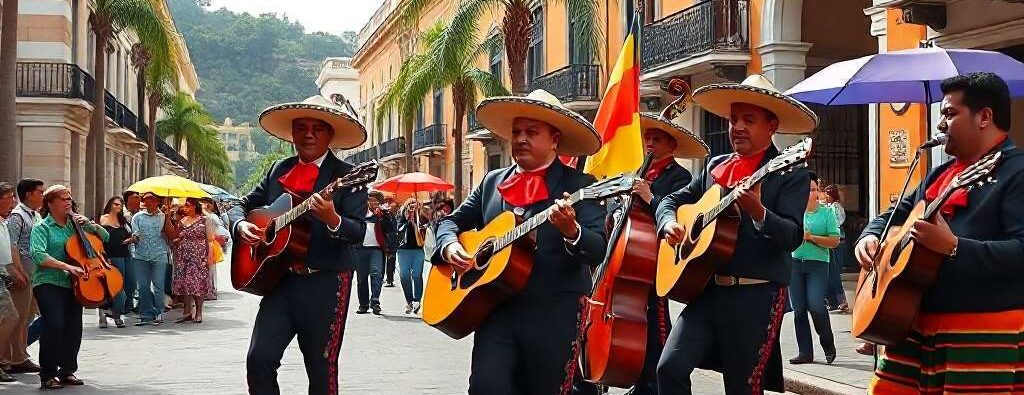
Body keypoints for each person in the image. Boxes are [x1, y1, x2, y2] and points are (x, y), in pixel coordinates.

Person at [855, 73, 1024, 393]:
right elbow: (895, 214)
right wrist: (869, 236)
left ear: (984, 117)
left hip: (981, 335)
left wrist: (955, 247)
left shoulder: (1017, 172)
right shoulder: (942, 173)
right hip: (913, 326)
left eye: (949, 113)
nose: (940, 124)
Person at [432, 90, 607, 394]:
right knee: (486, 386)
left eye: (531, 132)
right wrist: (450, 246)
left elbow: (597, 248)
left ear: (554, 139)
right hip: (495, 310)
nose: (521, 139)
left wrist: (571, 230)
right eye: (516, 132)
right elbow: (450, 222)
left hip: (554, 314)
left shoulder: (580, 186)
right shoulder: (492, 182)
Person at [656, 75, 816, 394]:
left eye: (748, 120)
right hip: (706, 291)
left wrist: (759, 212)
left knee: (742, 388)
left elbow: (792, 237)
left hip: (755, 296)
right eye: (733, 119)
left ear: (771, 126)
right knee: (669, 367)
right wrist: (669, 222)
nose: (737, 126)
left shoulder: (788, 173)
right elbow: (672, 200)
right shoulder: (716, 166)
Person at [231, 95, 368, 395]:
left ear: (330, 134)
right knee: (258, 360)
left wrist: (333, 218)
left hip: (327, 281)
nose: (308, 134)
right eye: (301, 127)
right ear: (292, 133)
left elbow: (358, 231)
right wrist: (241, 225)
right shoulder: (278, 170)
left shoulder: (348, 177)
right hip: (279, 281)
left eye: (317, 128)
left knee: (321, 372)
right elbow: (242, 206)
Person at [30, 185, 108, 389]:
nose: (68, 202)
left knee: (74, 327)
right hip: (48, 281)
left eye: (69, 198)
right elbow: (39, 255)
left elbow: (105, 238)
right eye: (63, 199)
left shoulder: (75, 225)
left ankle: (67, 370)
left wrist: (90, 225)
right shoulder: (42, 228)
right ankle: (47, 373)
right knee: (54, 324)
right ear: (50, 203)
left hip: (76, 283)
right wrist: (67, 266)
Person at [788, 172, 840, 365]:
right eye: (806, 190)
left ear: (818, 190)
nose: (810, 193)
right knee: (799, 309)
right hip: (794, 264)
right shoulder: (794, 211)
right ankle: (805, 352)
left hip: (818, 264)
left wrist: (812, 238)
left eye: (812, 189)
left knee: (816, 305)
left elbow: (835, 241)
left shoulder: (827, 213)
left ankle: (828, 343)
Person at [2, 178, 43, 375]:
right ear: (29, 194)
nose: (42, 195)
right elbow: (12, 245)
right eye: (39, 192)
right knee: (18, 315)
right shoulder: (18, 216)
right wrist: (18, 271)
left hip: (34, 268)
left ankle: (20, 353)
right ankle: (14, 357)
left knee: (28, 315)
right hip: (23, 267)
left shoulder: (34, 215)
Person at [130, 192, 175, 326]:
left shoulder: (163, 217)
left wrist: (167, 218)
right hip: (140, 256)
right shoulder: (137, 217)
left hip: (159, 255)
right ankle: (146, 314)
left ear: (157, 202)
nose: (148, 202)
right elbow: (135, 234)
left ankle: (159, 312)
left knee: (158, 286)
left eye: (152, 199)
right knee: (143, 286)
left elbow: (172, 235)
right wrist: (134, 238)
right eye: (146, 200)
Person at [170, 198, 216, 323]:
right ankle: (187, 311)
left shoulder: (204, 220)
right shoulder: (182, 221)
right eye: (185, 206)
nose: (186, 208)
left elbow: (210, 239)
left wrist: (210, 256)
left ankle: (199, 312)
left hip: (199, 256)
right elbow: (176, 236)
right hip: (184, 256)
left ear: (195, 206)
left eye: (188, 205)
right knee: (185, 283)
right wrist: (177, 240)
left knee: (198, 283)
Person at [98, 196, 133, 328]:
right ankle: (105, 314)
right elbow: (102, 238)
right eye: (116, 204)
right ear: (110, 205)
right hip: (110, 256)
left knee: (126, 286)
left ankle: (116, 313)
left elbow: (129, 235)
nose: (118, 207)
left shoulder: (124, 221)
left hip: (125, 255)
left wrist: (132, 239)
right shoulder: (103, 219)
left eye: (120, 205)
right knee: (109, 286)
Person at [354, 192, 392, 315]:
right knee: (361, 278)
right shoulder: (359, 213)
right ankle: (363, 305)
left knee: (377, 274)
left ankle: (375, 302)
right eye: (371, 201)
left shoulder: (383, 214)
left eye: (376, 201)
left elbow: (390, 228)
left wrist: (382, 217)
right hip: (361, 249)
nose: (374, 203)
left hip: (376, 249)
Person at [0, 183, 22, 383]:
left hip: (4, 275)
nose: (13, 202)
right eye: (9, 197)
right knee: (10, 317)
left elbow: (10, 250)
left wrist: (15, 270)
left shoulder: (4, 222)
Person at [396, 199, 430, 314]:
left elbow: (426, 227)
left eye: (415, 206)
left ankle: (417, 301)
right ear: (406, 206)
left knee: (417, 275)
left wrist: (417, 220)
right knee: (404, 275)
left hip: (418, 250)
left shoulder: (422, 217)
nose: (412, 208)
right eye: (410, 206)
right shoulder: (401, 216)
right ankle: (409, 301)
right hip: (403, 250)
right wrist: (407, 221)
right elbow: (398, 230)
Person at [821, 184, 849, 313]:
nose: (825, 197)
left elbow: (837, 223)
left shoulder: (836, 207)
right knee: (829, 273)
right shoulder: (829, 207)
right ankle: (832, 301)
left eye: (826, 194)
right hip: (831, 243)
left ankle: (841, 300)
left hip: (836, 243)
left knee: (834, 273)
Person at [201, 198, 229, 300]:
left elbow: (215, 233)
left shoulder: (211, 217)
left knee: (210, 270)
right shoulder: (206, 216)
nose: (204, 205)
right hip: (208, 244)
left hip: (210, 244)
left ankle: (210, 291)